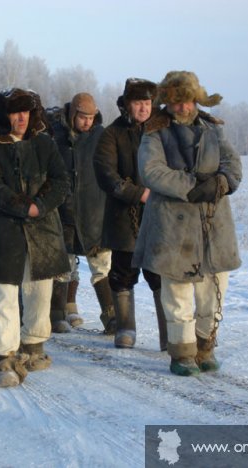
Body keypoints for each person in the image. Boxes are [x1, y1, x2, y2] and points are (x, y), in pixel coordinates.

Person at [133, 71, 242, 376]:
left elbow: (232, 164)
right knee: (178, 293)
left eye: (188, 101)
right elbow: (151, 171)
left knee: (214, 287)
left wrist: (221, 183)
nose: (183, 108)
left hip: (213, 223)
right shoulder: (154, 132)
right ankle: (181, 353)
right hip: (173, 225)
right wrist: (192, 186)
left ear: (196, 99)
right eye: (177, 102)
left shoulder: (213, 128)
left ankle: (205, 346)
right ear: (168, 101)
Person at [0, 88, 70, 388]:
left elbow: (61, 180)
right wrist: (22, 206)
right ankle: (2, 357)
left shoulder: (44, 143)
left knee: (39, 291)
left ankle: (33, 345)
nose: (21, 118)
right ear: (5, 115)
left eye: (25, 112)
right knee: (4, 296)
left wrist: (39, 206)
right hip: (3, 229)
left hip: (43, 229)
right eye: (15, 113)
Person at [93, 78, 166, 350]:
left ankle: (169, 335)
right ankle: (125, 328)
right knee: (122, 273)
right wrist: (139, 193)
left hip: (160, 216)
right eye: (138, 103)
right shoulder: (112, 134)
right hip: (125, 218)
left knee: (160, 275)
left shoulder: (163, 131)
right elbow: (106, 174)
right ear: (127, 105)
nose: (144, 109)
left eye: (148, 103)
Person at [49, 93, 112, 334]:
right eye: (83, 117)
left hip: (95, 210)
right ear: (73, 114)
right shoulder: (56, 136)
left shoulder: (101, 137)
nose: (87, 122)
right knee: (61, 265)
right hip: (63, 211)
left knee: (102, 265)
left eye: (91, 117)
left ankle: (112, 316)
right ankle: (57, 315)